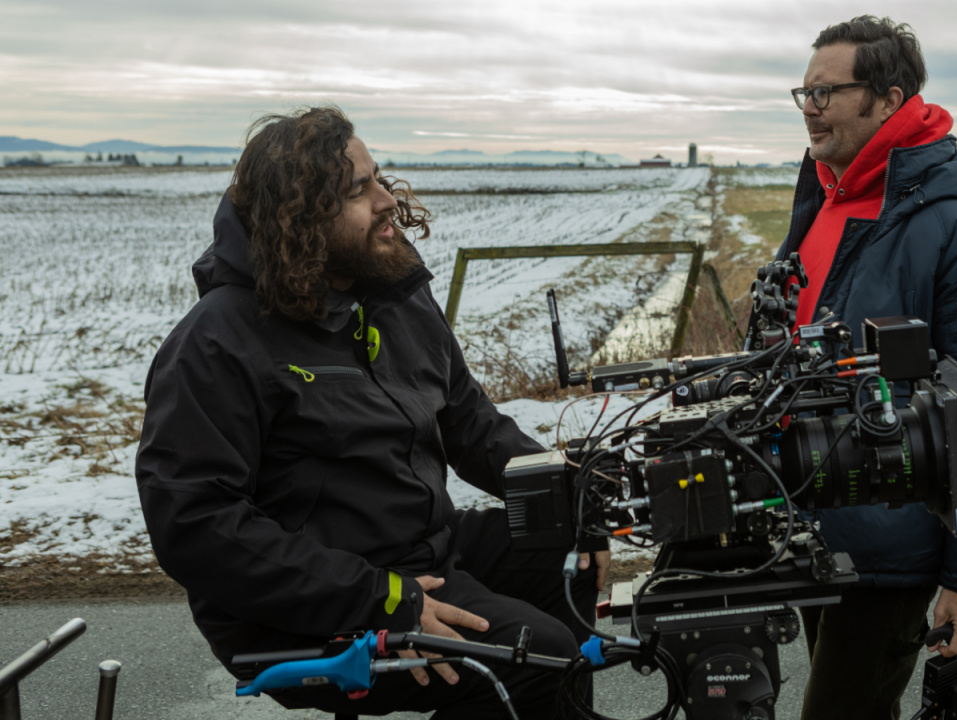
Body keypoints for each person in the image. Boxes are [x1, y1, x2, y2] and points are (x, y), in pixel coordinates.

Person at [135, 106, 608, 719]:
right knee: (537, 657)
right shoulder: (218, 341)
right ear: (301, 221)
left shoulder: (389, 297)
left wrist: (574, 495)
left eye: (379, 177)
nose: (387, 200)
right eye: (360, 189)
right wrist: (378, 599)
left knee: (563, 557)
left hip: (418, 553)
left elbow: (471, 424)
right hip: (310, 608)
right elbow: (194, 526)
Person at [779, 17, 957, 720]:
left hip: (893, 541)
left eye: (827, 91)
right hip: (819, 521)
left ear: (889, 99)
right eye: (803, 91)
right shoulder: (828, 198)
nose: (810, 106)